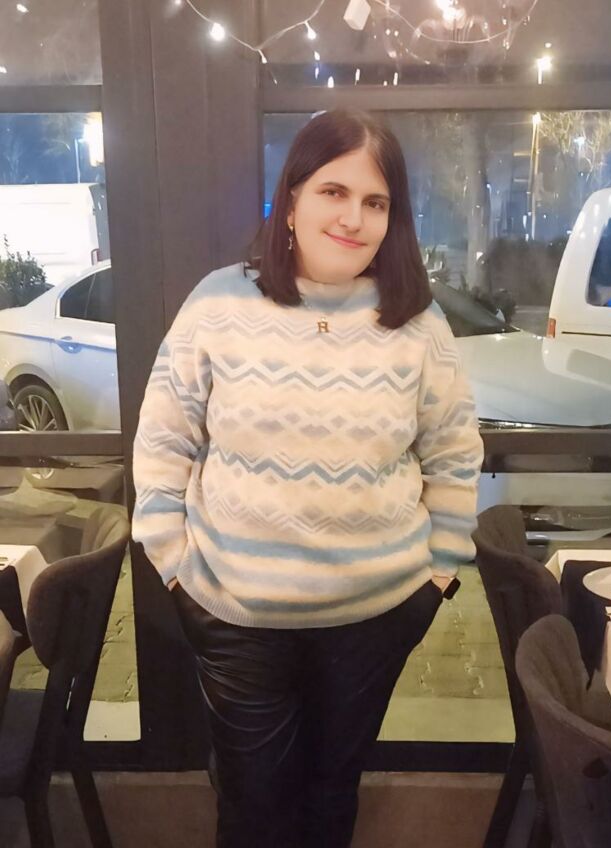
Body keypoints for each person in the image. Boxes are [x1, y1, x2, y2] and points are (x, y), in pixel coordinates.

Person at [132, 109, 484, 848]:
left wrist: (440, 574)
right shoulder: (219, 303)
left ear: (393, 219)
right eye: (334, 191)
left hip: (378, 615)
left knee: (332, 796)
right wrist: (173, 563)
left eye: (376, 201)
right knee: (253, 808)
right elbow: (164, 439)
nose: (354, 217)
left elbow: (454, 453)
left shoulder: (417, 325)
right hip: (237, 616)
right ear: (291, 199)